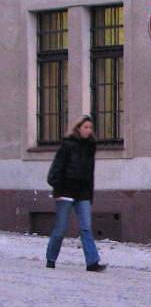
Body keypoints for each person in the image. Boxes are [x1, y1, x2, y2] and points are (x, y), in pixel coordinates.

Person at [45, 115, 107, 272]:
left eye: (90, 128)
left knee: (86, 227)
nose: (88, 130)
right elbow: (56, 169)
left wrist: (90, 194)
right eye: (85, 127)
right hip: (65, 191)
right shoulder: (67, 145)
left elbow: (90, 173)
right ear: (78, 128)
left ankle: (92, 262)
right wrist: (57, 189)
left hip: (83, 193)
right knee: (60, 229)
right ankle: (51, 259)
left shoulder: (90, 146)